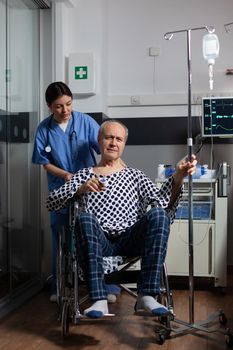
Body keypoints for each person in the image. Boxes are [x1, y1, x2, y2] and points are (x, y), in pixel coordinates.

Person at [46, 120, 196, 318]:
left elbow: (163, 203)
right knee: (84, 219)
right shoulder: (82, 175)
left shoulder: (135, 175)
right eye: (109, 137)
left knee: (159, 215)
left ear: (124, 144)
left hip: (129, 239)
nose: (113, 142)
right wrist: (79, 189)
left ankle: (147, 295)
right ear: (99, 141)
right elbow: (51, 203)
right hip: (98, 241)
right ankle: (99, 299)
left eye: (119, 139)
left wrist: (178, 176)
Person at [32, 82, 120, 302]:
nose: (65, 110)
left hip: (90, 188)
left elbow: (104, 149)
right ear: (49, 106)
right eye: (59, 106)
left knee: (101, 233)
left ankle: (107, 286)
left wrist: (112, 171)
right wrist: (66, 176)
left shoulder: (85, 122)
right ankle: (59, 287)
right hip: (61, 190)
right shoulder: (44, 129)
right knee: (61, 237)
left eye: (69, 104)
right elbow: (44, 162)